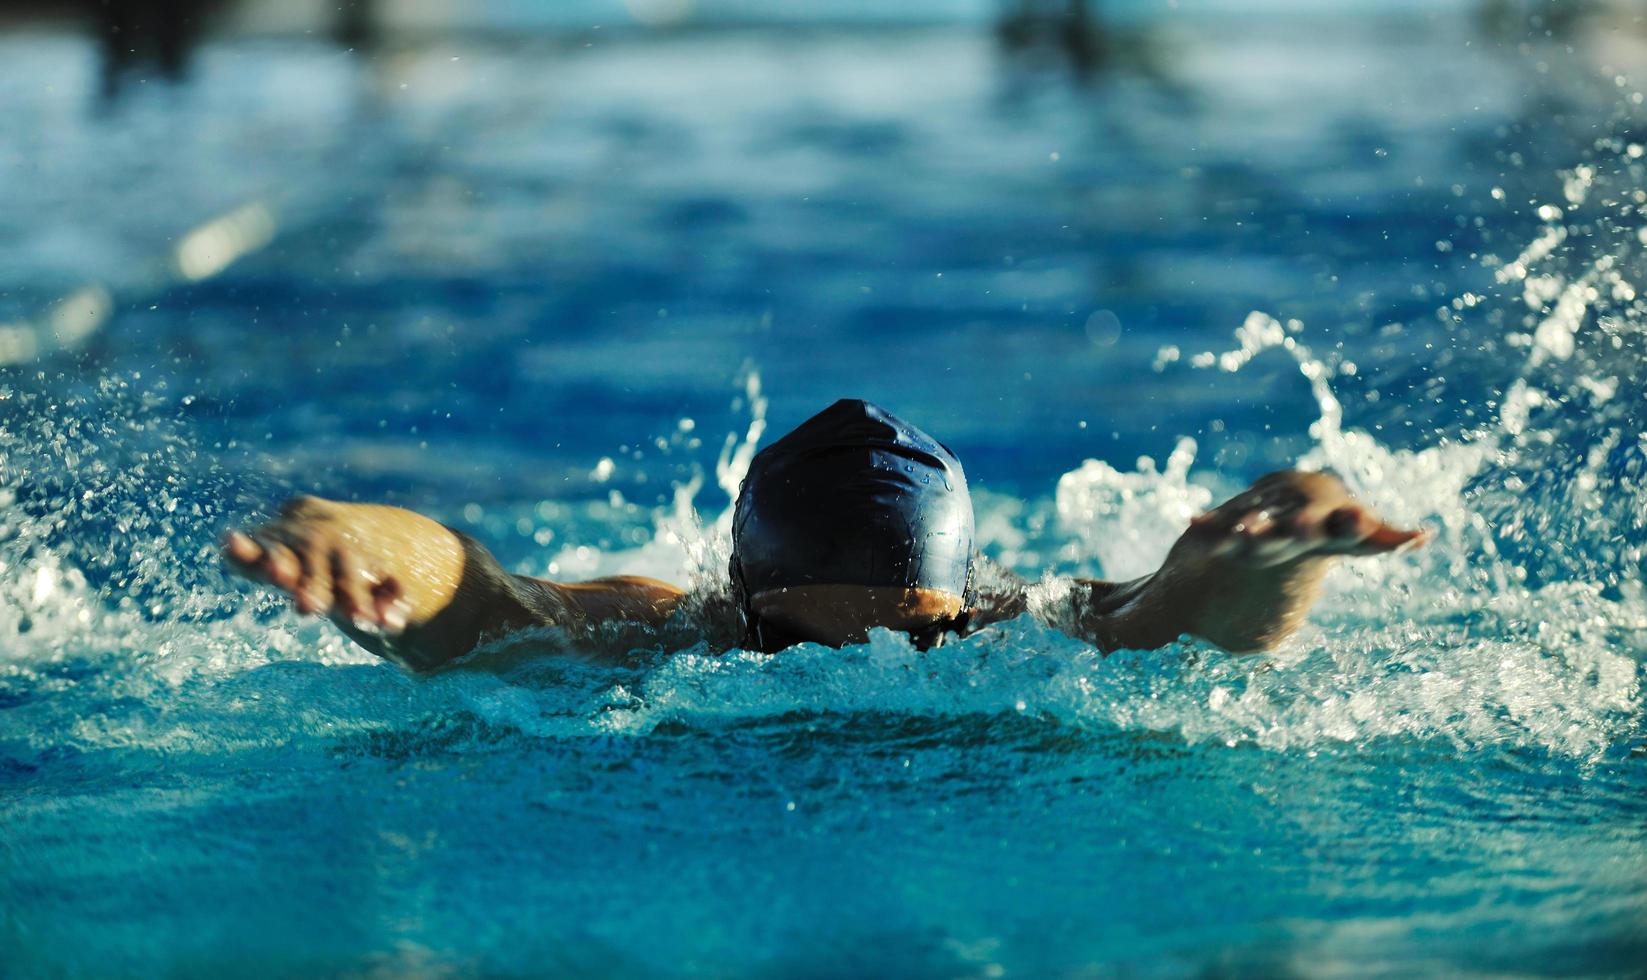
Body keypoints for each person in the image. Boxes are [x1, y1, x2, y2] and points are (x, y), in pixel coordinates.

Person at [222, 399, 1425, 671]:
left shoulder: (1022, 629)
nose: (861, 680)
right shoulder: (668, 629)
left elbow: (1192, 616)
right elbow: (481, 592)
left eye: (917, 646)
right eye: (799, 641)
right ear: (738, 606)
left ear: (963, 607)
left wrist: (1282, 541)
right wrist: (355, 534)